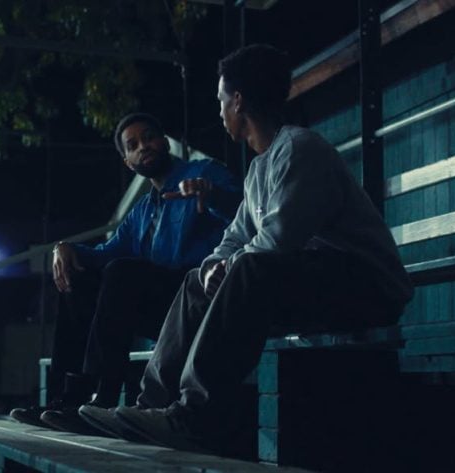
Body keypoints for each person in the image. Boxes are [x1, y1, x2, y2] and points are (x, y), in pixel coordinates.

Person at [78, 45, 414, 452]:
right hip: (310, 280)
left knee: (249, 269)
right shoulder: (259, 168)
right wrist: (213, 267)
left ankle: (192, 417)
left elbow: (278, 239)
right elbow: (235, 238)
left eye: (221, 100)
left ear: (238, 101)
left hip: (366, 286)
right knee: (196, 281)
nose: (219, 111)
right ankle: (150, 406)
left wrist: (230, 265)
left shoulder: (300, 149)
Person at [9, 113, 242, 436]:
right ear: (128, 162)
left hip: (197, 297)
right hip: (158, 306)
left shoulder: (204, 173)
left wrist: (212, 194)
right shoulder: (141, 211)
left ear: (163, 141)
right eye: (133, 145)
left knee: (124, 273)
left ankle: (102, 399)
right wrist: (65, 248)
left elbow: (245, 210)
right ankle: (67, 397)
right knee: (79, 278)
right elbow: (104, 255)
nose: (144, 146)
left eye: (149, 137)